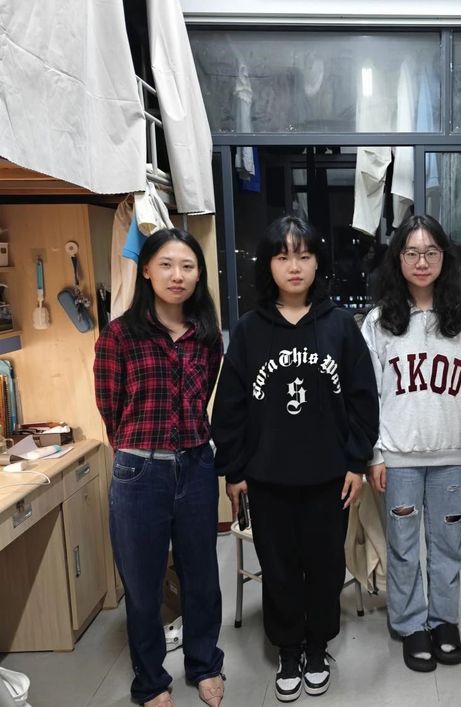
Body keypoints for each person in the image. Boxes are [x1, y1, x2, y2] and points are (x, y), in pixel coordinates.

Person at [211, 216, 379, 703]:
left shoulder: (339, 326)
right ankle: (288, 648)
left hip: (330, 478)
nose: (294, 266)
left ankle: (317, 647)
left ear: (317, 263)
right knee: (279, 567)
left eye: (304, 256)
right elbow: (230, 407)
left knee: (325, 566)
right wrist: (234, 470)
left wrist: (356, 462)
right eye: (283, 256)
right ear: (268, 265)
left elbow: (363, 400)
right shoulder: (249, 331)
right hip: (267, 479)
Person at [94, 229, 225, 707]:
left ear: (199, 274)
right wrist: (140, 449)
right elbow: (110, 406)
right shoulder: (119, 335)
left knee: (201, 576)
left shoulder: (206, 337)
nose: (177, 275)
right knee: (143, 585)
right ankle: (150, 681)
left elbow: (203, 397)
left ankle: (204, 664)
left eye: (188, 266)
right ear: (146, 270)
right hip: (139, 472)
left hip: (196, 465)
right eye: (166, 264)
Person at [362, 214, 461, 672]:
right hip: (399, 456)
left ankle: (444, 620)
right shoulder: (380, 322)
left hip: (451, 454)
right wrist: (374, 454)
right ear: (398, 259)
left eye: (431, 252)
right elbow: (367, 394)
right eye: (411, 252)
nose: (422, 261)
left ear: (444, 257)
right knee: (404, 545)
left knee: (449, 542)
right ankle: (410, 623)